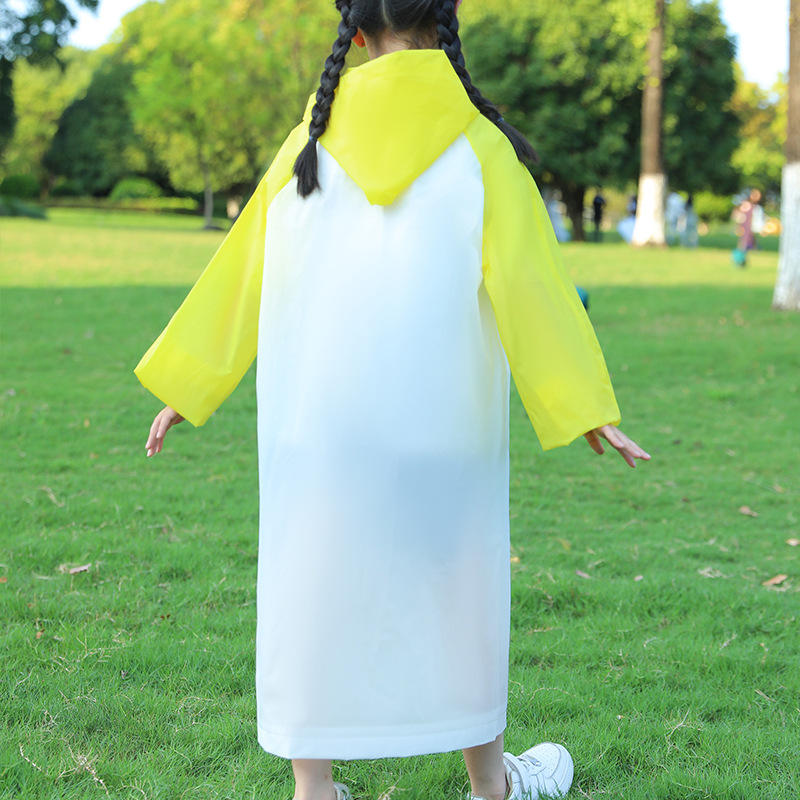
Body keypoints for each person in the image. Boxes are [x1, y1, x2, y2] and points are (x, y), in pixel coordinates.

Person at [134, 2, 651, 799]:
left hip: (319, 430)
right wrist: (584, 403)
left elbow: (243, 269)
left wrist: (187, 382)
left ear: (356, 32)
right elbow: (531, 284)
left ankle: (314, 789)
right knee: (461, 588)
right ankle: (491, 786)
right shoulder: (482, 147)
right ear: (445, 21)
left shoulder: (305, 145)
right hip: (442, 430)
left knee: (313, 585)